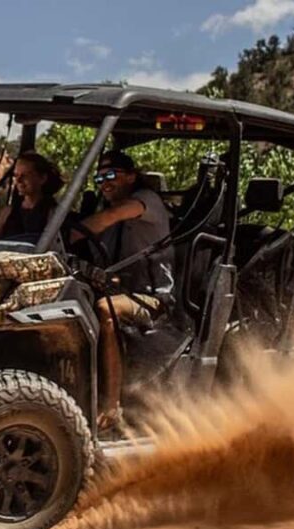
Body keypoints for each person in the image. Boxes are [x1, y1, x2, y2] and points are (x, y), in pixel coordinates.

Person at [76, 150, 174, 430]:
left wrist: (65, 233)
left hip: (154, 298)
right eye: (99, 177)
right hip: (120, 289)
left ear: (131, 176)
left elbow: (113, 215)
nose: (104, 183)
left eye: (111, 175)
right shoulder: (104, 214)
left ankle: (111, 404)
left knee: (106, 310)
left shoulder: (146, 202)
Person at [0, 151, 64, 241]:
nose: (18, 180)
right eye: (16, 175)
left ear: (42, 178)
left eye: (25, 175)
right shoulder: (7, 213)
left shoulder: (54, 214)